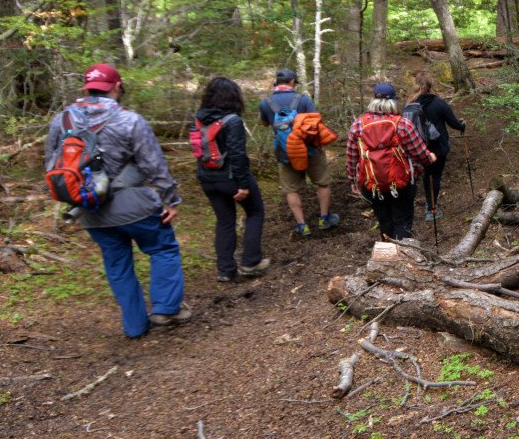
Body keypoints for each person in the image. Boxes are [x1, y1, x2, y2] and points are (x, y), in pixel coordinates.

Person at [45, 63, 188, 337]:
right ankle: (166, 309)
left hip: (89, 208)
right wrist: (171, 200)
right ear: (117, 86)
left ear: (85, 87)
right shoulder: (129, 120)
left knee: (117, 263)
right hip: (135, 205)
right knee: (163, 249)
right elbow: (154, 166)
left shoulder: (62, 121)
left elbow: (52, 165)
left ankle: (135, 325)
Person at [193, 77, 270, 283]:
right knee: (255, 212)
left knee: (225, 221)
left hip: (207, 179)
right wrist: (243, 185)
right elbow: (238, 156)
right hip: (230, 179)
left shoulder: (199, 119)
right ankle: (250, 262)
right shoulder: (232, 120)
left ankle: (225, 270)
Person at [345, 82, 435, 240]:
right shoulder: (403, 124)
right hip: (401, 184)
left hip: (372, 185)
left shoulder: (357, 125)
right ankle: (403, 256)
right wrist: (430, 158)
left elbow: (352, 157)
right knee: (402, 220)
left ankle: (387, 256)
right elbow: (420, 154)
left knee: (384, 221)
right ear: (393, 101)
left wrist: (353, 179)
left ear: (373, 100)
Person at [259, 68, 340, 239]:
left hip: (285, 151)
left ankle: (302, 226)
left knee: (291, 189)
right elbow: (316, 123)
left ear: (277, 83)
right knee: (322, 183)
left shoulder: (265, 103)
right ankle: (324, 219)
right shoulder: (302, 99)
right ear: (292, 82)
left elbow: (265, 123)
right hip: (310, 149)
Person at [408, 71, 466, 220]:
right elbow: (453, 123)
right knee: (436, 176)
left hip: (418, 147)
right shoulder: (439, 103)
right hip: (439, 147)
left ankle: (429, 207)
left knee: (427, 175)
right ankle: (432, 208)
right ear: (430, 85)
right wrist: (462, 125)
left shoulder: (409, 105)